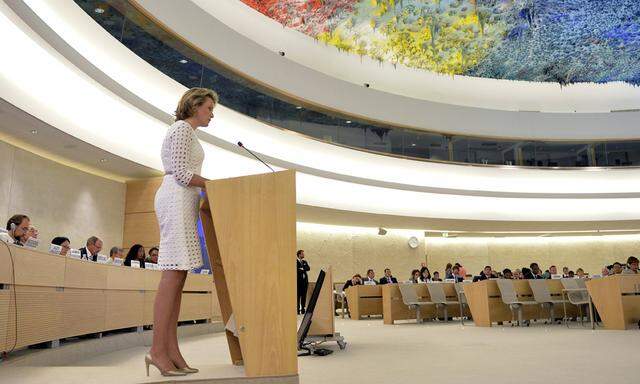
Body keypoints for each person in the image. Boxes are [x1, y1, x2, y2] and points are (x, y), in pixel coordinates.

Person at [148, 87, 218, 377]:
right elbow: (181, 172)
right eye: (209, 108)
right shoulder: (180, 129)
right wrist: (212, 184)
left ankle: (172, 350)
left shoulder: (190, 133)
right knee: (172, 275)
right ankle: (156, 351)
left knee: (179, 277)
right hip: (175, 198)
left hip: (184, 202)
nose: (212, 114)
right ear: (194, 105)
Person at [296, 250, 310, 314]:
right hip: (298, 282)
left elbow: (308, 268)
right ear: (299, 255)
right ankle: (297, 309)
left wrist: (302, 268)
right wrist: (303, 269)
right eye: (302, 254)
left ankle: (303, 309)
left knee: (304, 296)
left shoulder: (304, 261)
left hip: (305, 282)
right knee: (298, 296)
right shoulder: (295, 262)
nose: (303, 255)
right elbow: (297, 270)